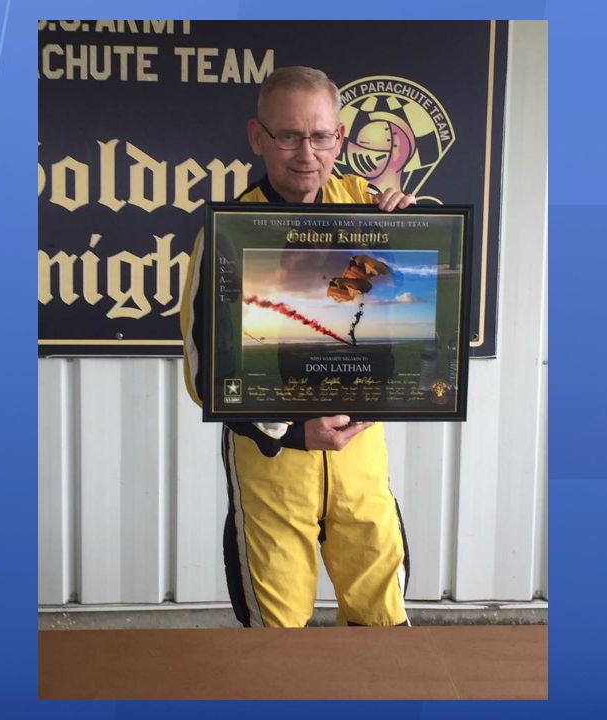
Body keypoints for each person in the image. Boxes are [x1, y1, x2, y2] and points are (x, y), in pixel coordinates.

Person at [180, 66, 416, 628]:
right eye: (288, 135)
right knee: (278, 642)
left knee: (385, 628)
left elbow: (412, 304)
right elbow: (203, 371)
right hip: (275, 463)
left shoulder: (370, 208)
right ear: (257, 137)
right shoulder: (229, 233)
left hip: (359, 455)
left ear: (339, 137)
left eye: (320, 136)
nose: (306, 154)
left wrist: (415, 234)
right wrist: (289, 431)